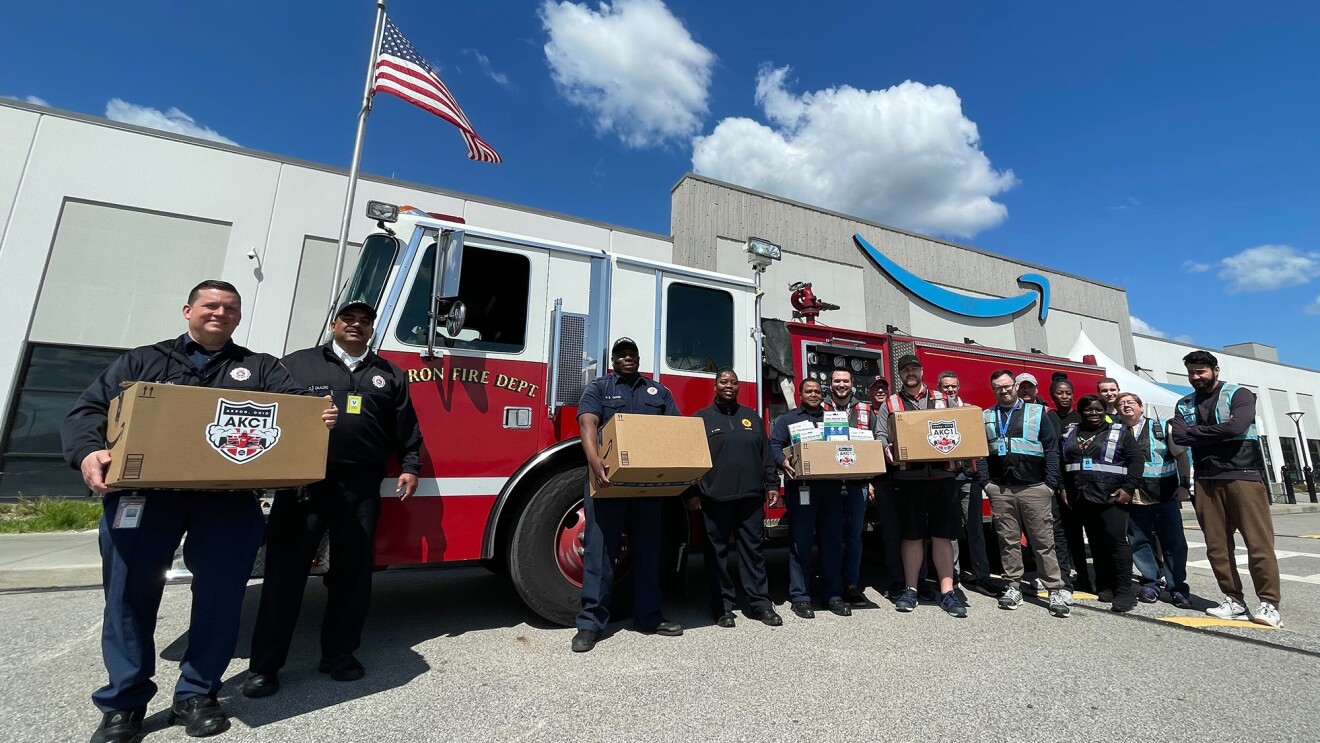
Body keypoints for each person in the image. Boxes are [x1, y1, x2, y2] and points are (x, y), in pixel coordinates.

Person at [60, 280, 337, 743]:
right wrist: (88, 453)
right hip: (144, 499)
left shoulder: (260, 367)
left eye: (230, 308)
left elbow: (295, 413)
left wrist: (317, 417)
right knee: (129, 599)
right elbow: (87, 411)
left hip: (226, 499)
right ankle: (123, 705)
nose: (220, 313)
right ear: (187, 310)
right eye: (211, 305)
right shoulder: (142, 361)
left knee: (221, 600)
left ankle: (197, 695)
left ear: (238, 317)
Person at [242, 301, 423, 698]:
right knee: (284, 575)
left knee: (353, 573)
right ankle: (264, 668)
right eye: (349, 320)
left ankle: (340, 655)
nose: (357, 326)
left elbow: (406, 426)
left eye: (365, 322)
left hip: (360, 486)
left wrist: (410, 464)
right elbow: (268, 412)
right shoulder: (296, 364)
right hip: (305, 482)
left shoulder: (389, 373)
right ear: (334, 324)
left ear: (372, 330)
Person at [572, 338, 685, 652]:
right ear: (613, 360)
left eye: (631, 353)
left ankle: (649, 616)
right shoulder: (598, 388)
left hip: (648, 486)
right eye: (620, 354)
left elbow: (675, 431)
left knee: (649, 551)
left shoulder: (658, 392)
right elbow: (588, 423)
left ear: (638, 357)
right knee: (600, 553)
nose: (627, 358)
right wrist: (594, 459)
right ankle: (590, 624)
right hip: (608, 481)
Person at [1171, 350, 1282, 628]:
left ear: (1215, 370)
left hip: (1242, 474)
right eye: (1192, 372)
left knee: (1258, 544)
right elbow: (1180, 436)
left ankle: (1269, 603)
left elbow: (1238, 427)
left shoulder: (1239, 394)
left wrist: (1198, 433)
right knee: (1217, 547)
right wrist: (1216, 431)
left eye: (1201, 371)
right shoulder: (1184, 403)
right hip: (1206, 479)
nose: (1196, 377)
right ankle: (1234, 600)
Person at [874, 354, 969, 618]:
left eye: (914, 368)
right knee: (912, 536)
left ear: (922, 371)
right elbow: (881, 433)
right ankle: (911, 590)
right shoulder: (890, 403)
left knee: (942, 536)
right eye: (905, 370)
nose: (910, 373)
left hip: (942, 477)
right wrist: (886, 448)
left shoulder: (943, 399)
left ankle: (948, 592)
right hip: (908, 480)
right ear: (900, 375)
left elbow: (961, 427)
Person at [687, 368, 783, 627]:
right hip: (714, 499)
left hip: (751, 499)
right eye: (723, 382)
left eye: (733, 382)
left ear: (738, 386)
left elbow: (766, 456)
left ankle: (760, 605)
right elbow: (689, 460)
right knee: (716, 556)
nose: (729, 386)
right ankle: (723, 607)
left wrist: (772, 485)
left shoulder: (751, 417)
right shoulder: (701, 419)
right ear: (715, 386)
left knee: (754, 553)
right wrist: (692, 493)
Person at [983, 370, 1069, 617]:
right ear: (993, 389)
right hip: (1001, 489)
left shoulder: (1037, 413)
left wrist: (1049, 485)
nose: (1004, 390)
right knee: (1007, 541)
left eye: (1007, 386)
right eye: (998, 387)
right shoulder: (987, 416)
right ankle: (1013, 587)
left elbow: (1052, 451)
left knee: (1043, 542)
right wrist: (986, 484)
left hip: (1034, 488)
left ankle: (1054, 590)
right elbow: (981, 453)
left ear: (1016, 386)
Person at [769, 378, 851, 618]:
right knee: (800, 545)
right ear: (801, 394)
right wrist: (782, 461)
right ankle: (800, 597)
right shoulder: (788, 419)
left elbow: (847, 445)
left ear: (822, 394)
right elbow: (774, 443)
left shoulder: (834, 419)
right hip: (802, 490)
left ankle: (832, 595)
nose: (814, 394)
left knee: (832, 543)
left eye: (817, 391)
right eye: (809, 391)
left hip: (832, 489)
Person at [1062, 395, 1142, 612]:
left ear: (1105, 410)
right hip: (1082, 497)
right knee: (1096, 543)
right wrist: (1063, 489)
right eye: (1088, 410)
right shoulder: (1071, 433)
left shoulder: (1118, 431)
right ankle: (1105, 584)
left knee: (1117, 542)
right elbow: (1064, 463)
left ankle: (1125, 591)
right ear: (1081, 412)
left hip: (1111, 497)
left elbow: (1137, 460)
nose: (1094, 413)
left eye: (1098, 409)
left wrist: (1128, 488)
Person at [1116, 392, 1193, 609]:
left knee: (1174, 543)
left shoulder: (1161, 428)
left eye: (1130, 402)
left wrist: (1184, 485)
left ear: (1141, 407)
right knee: (1139, 542)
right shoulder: (1116, 432)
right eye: (1121, 404)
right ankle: (1150, 582)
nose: (1126, 406)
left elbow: (1181, 456)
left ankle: (1178, 587)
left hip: (1165, 494)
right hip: (1133, 497)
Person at [937, 371, 994, 595]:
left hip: (969, 478)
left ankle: (983, 577)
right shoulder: (935, 412)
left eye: (952, 386)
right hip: (947, 478)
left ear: (958, 388)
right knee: (951, 531)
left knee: (975, 530)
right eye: (945, 387)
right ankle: (953, 577)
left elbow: (982, 443)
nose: (949, 390)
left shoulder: (971, 411)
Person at [823, 367, 875, 607]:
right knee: (831, 536)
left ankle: (852, 586)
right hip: (829, 483)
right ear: (830, 384)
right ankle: (831, 585)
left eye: (845, 380)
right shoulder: (821, 409)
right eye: (837, 381)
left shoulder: (865, 409)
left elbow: (876, 444)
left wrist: (872, 480)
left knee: (854, 536)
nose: (841, 384)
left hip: (858, 484)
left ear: (852, 383)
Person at [1047, 378, 1090, 592]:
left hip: (1082, 484)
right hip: (1059, 484)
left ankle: (1086, 576)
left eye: (1067, 393)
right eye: (1059, 393)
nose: (1064, 396)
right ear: (1052, 395)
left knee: (1086, 533)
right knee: (1062, 534)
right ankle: (1065, 577)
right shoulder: (1049, 417)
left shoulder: (1082, 417)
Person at [866, 377, 904, 598]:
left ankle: (919, 581)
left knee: (914, 533)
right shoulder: (863, 416)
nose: (880, 390)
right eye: (875, 388)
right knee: (891, 535)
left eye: (883, 387)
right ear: (868, 392)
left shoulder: (897, 410)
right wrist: (867, 480)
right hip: (882, 481)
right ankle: (897, 580)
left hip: (906, 479)